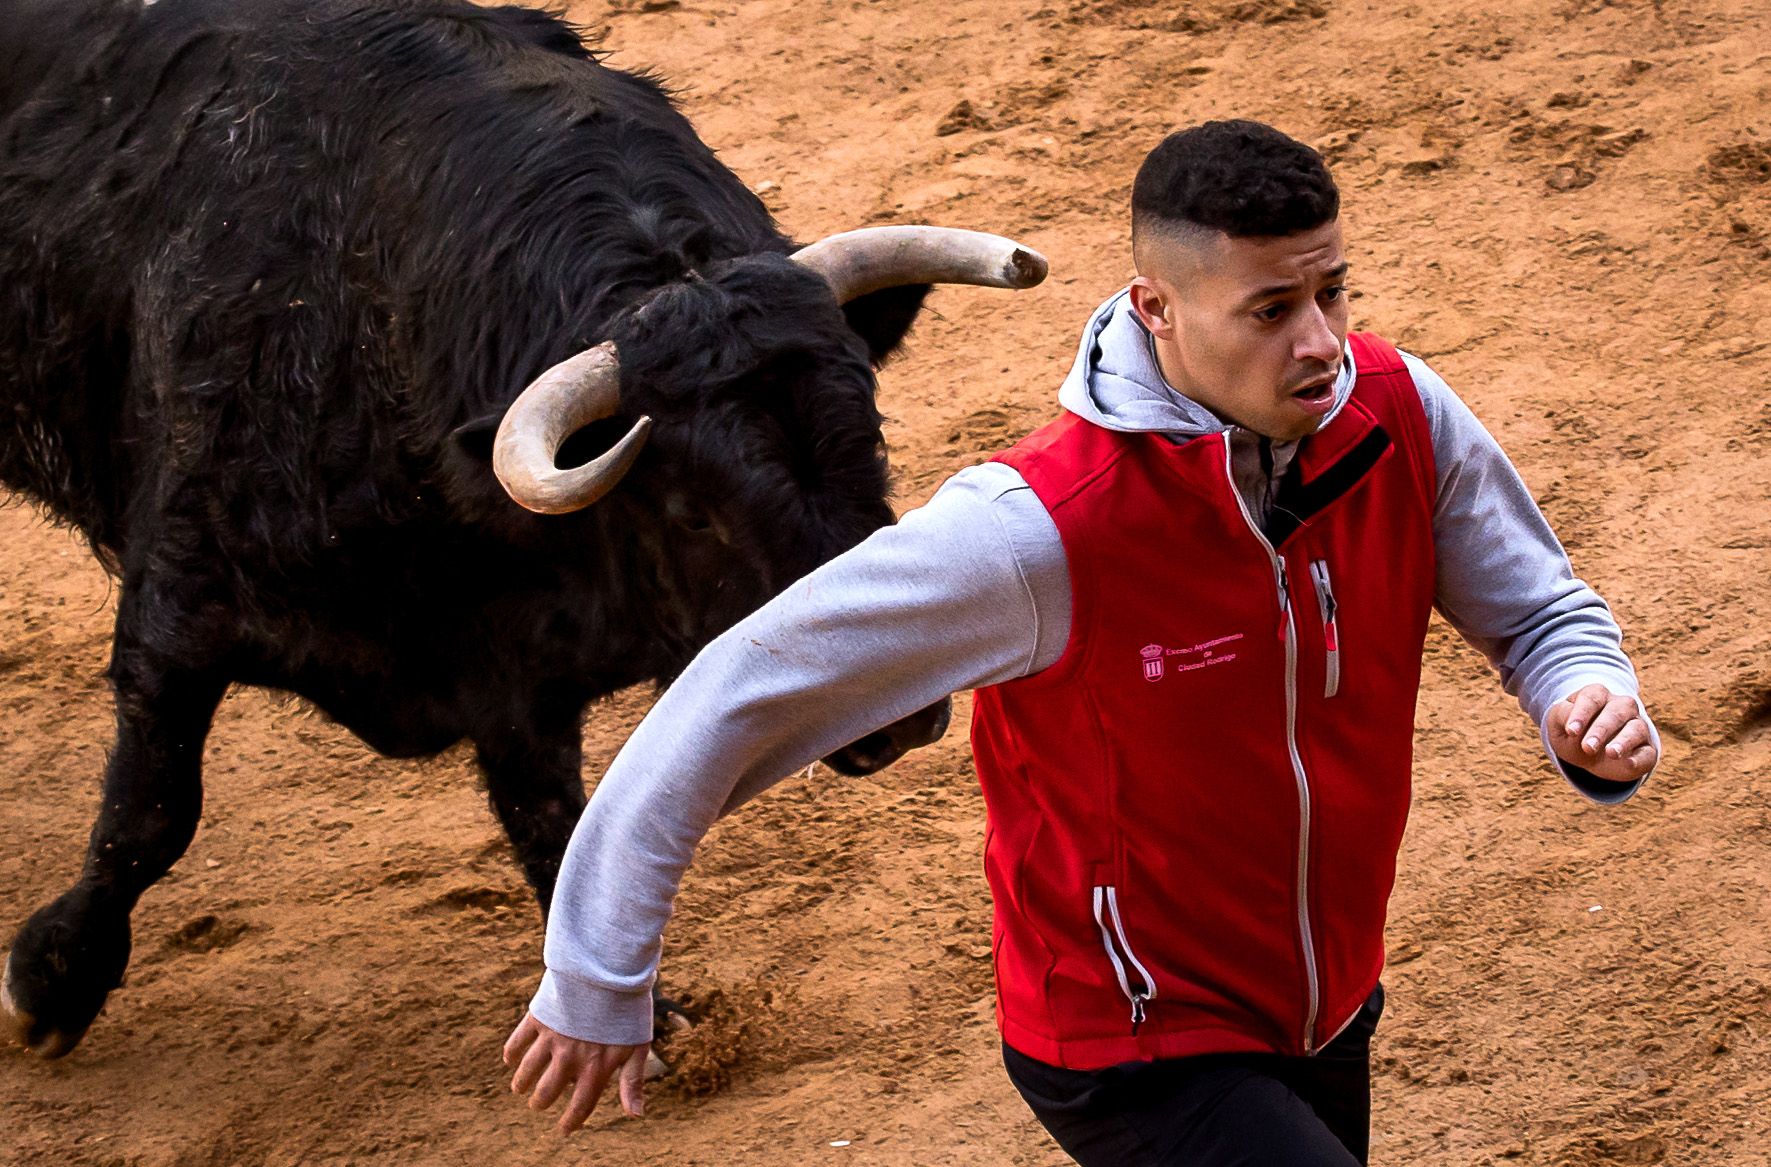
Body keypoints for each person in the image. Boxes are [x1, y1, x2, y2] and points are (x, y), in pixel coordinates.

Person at [500, 119, 1659, 1164]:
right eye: (1269, 311)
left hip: (1326, 997)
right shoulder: (1037, 532)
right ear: (1155, 309)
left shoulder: (1396, 413)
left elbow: (1540, 611)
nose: (1319, 344)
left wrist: (1583, 690)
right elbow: (734, 690)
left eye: (1332, 293)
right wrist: (598, 973)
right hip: (1132, 1041)